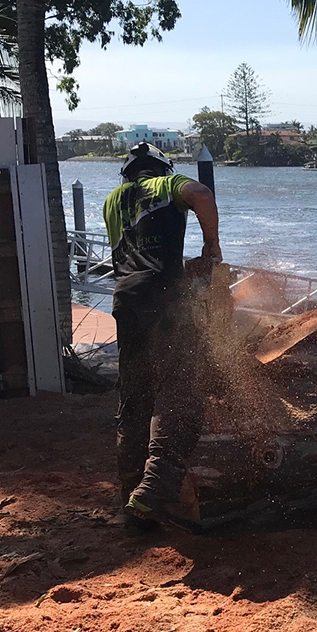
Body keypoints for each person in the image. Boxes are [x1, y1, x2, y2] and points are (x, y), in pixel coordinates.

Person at [102, 142, 221, 532]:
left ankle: (133, 509)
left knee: (135, 400)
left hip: (127, 299)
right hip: (163, 297)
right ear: (161, 167)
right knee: (182, 392)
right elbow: (201, 195)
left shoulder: (112, 201)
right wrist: (211, 244)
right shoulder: (166, 184)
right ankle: (154, 490)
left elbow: (135, 250)